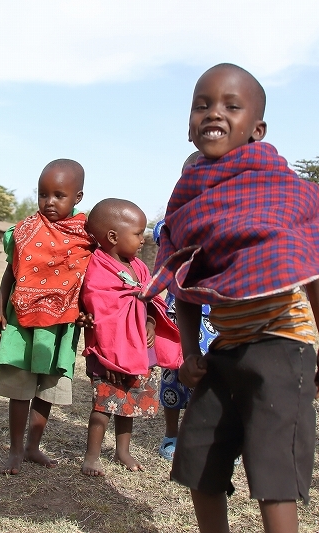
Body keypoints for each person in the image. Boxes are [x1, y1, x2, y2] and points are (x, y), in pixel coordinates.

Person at [142, 63, 319, 533]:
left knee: (273, 466)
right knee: (199, 457)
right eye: (202, 104)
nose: (213, 112)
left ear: (256, 129)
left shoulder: (282, 190)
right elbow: (183, 277)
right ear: (188, 124)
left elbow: (311, 266)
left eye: (230, 105)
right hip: (224, 347)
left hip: (283, 342)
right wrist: (191, 350)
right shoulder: (189, 197)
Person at [0, 159, 94, 475]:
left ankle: (33, 446)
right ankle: (16, 449)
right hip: (21, 321)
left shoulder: (87, 235)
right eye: (43, 195)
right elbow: (10, 271)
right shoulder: (25, 230)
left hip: (60, 325)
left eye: (59, 195)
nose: (50, 202)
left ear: (78, 197)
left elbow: (91, 280)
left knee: (47, 388)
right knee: (20, 386)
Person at [80, 199, 181, 477]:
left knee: (129, 404)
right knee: (103, 406)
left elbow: (149, 301)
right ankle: (92, 456)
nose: (142, 239)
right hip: (107, 353)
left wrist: (150, 322)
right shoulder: (97, 268)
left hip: (138, 349)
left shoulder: (140, 267)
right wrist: (109, 358)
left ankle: (123, 451)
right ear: (113, 237)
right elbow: (99, 314)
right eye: (137, 233)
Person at [153, 152, 219, 462]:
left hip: (215, 316)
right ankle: (172, 434)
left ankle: (214, 437)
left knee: (213, 377)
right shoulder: (170, 223)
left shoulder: (227, 220)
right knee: (173, 374)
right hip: (176, 313)